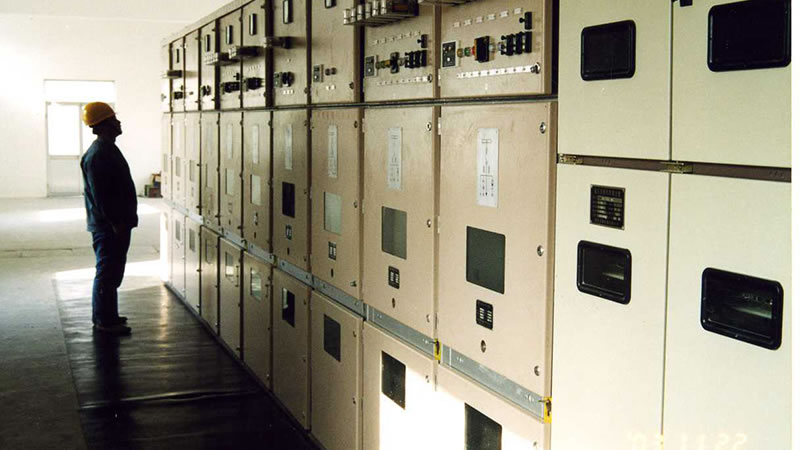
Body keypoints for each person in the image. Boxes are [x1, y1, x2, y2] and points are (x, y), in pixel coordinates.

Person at [80, 102, 138, 335]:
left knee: (112, 271)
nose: (118, 122)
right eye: (114, 119)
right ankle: (104, 321)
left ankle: (109, 315)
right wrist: (116, 223)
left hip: (113, 224)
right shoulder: (100, 154)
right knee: (107, 272)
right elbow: (102, 195)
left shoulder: (106, 149)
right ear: (103, 125)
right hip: (109, 226)